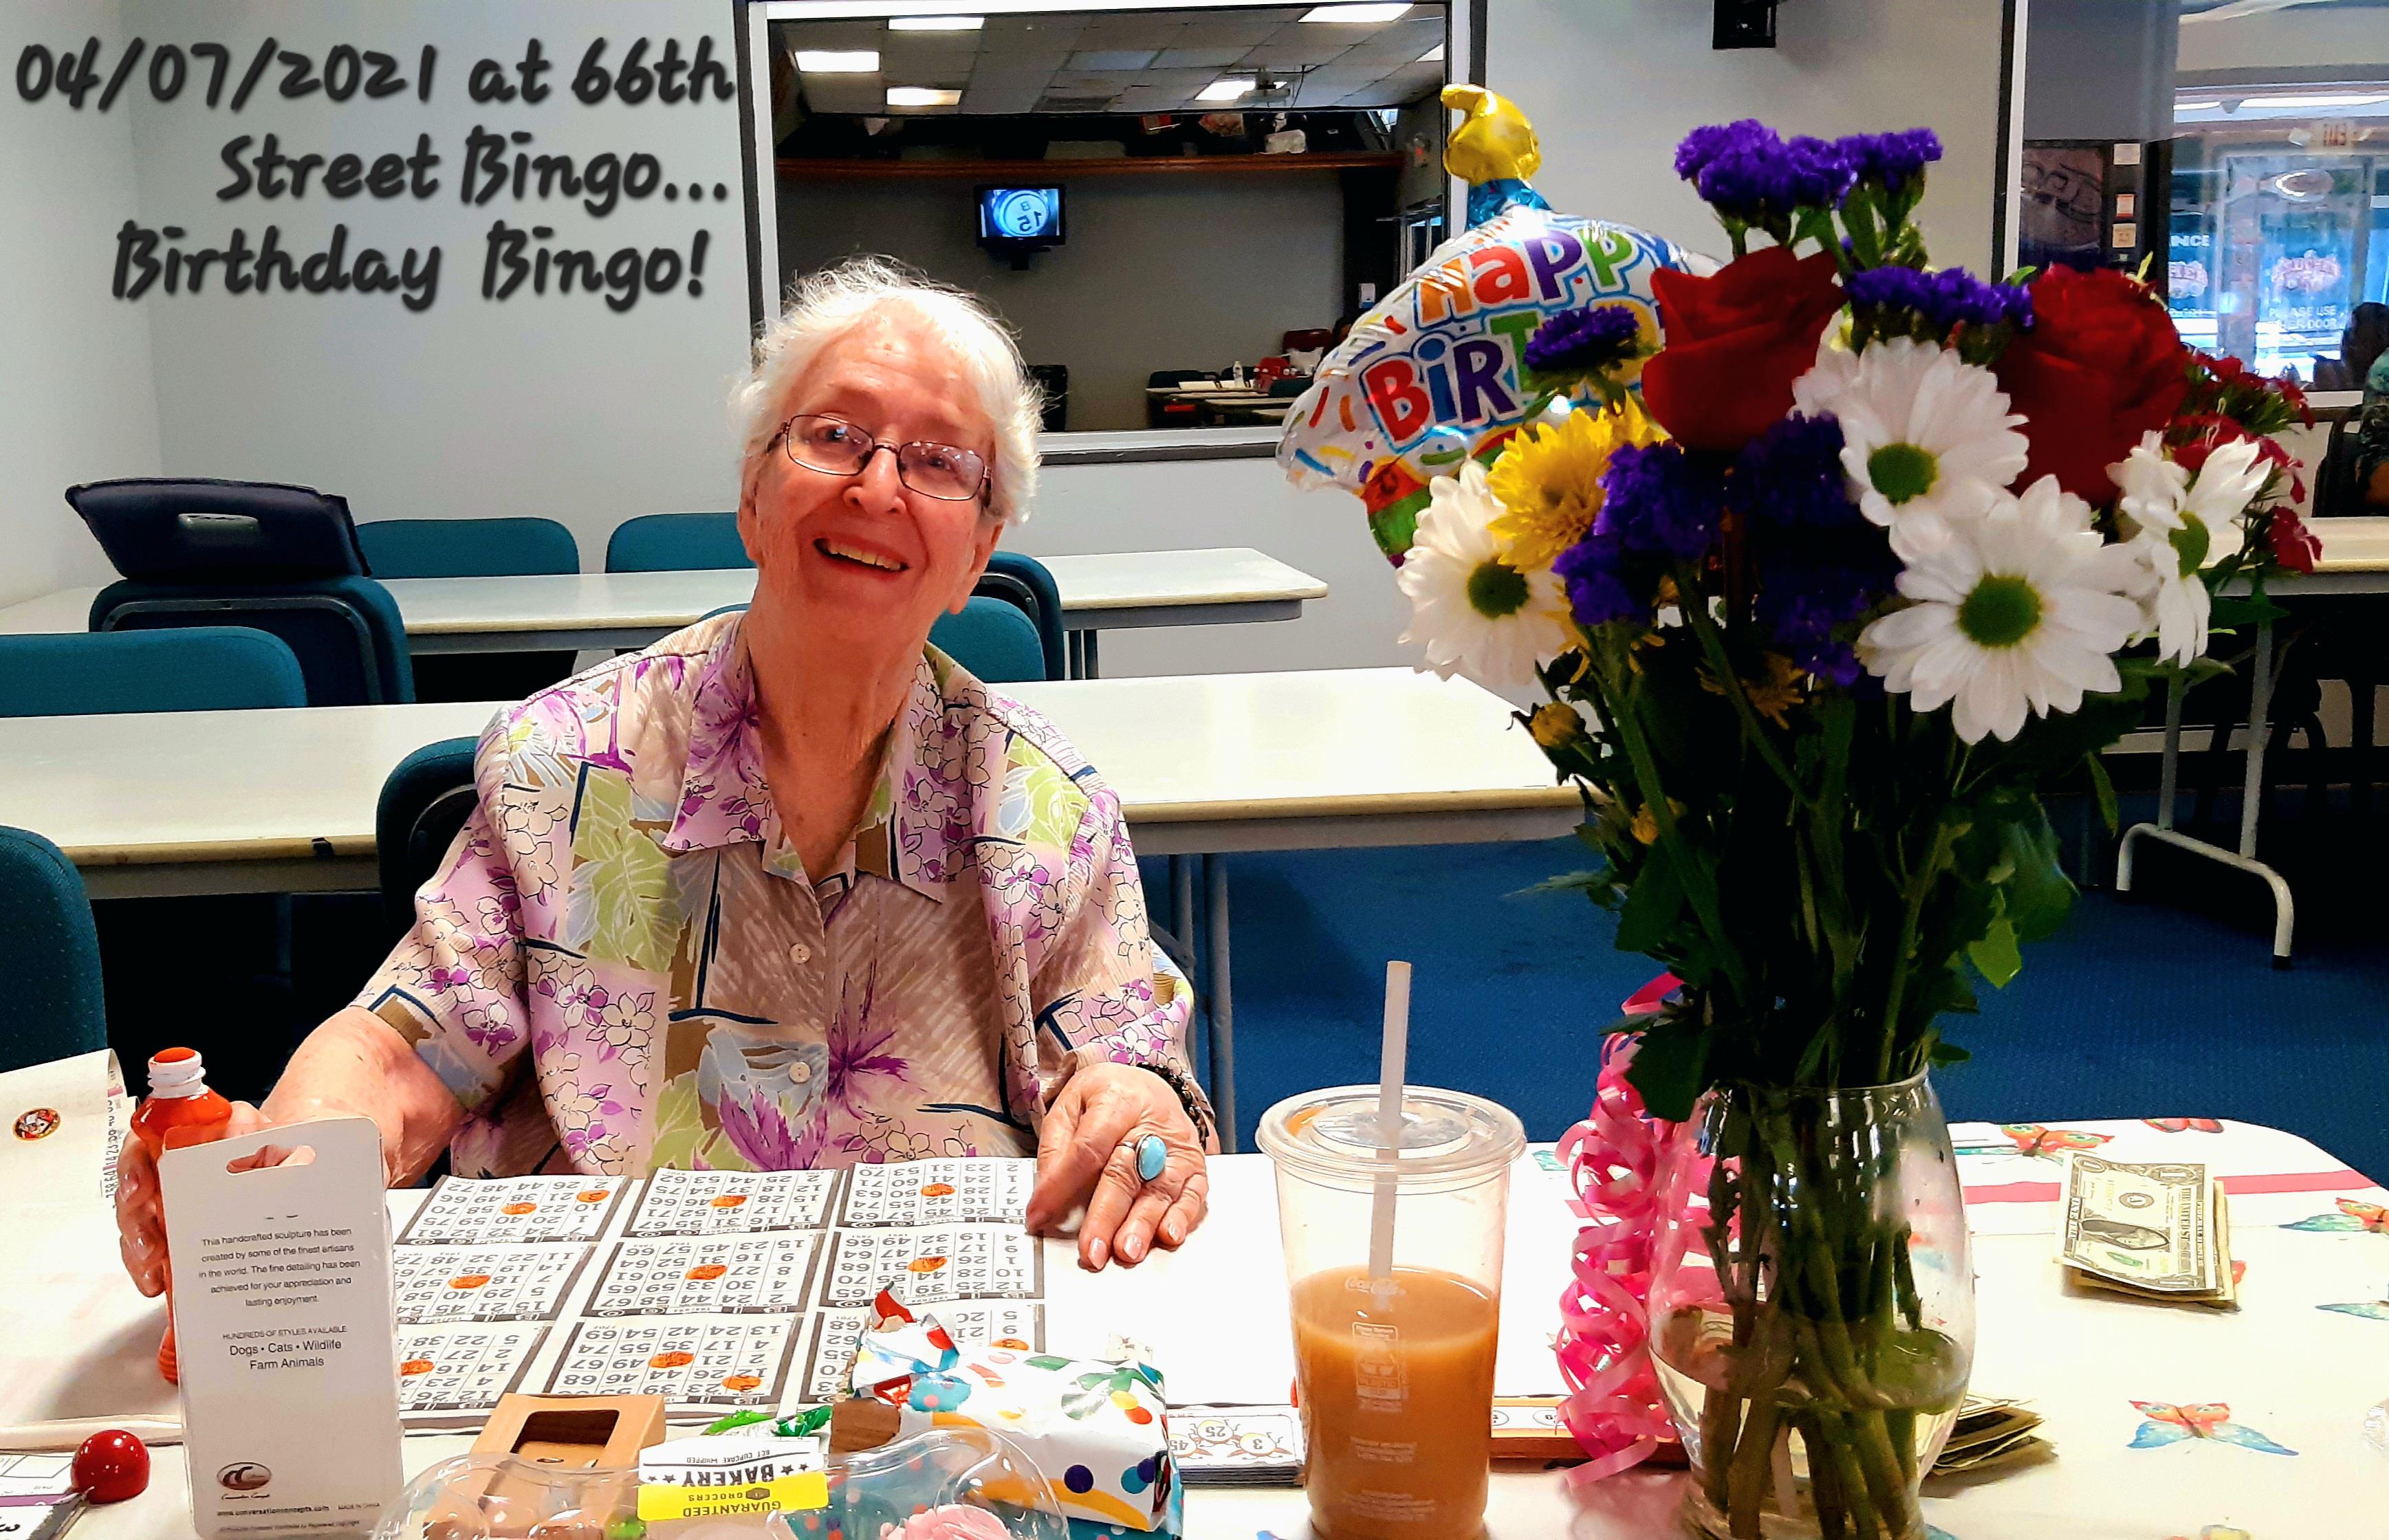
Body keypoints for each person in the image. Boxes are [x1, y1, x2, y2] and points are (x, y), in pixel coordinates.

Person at [116, 256, 1213, 1291]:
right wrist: (298, 1155)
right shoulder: (564, 767)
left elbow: (1118, 1052)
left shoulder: (1043, 803)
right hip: (596, 1362)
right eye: (835, 436)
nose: (879, 486)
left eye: (938, 463)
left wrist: (1131, 1103)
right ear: (752, 495)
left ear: (980, 550)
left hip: (927, 1368)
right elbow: (406, 1047)